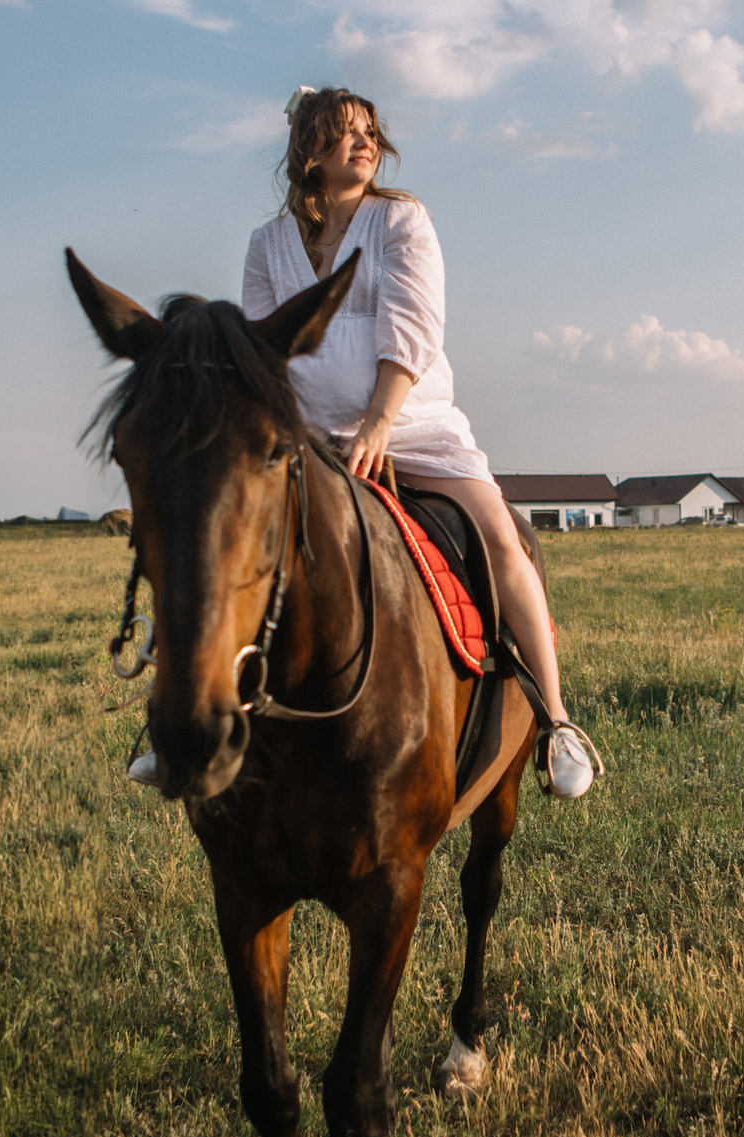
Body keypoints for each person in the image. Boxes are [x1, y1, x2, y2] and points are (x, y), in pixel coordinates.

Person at [135, 85, 600, 798]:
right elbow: (264, 353)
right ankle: (179, 720)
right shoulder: (267, 244)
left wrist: (379, 425)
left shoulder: (401, 220)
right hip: (309, 437)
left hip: (412, 428)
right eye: (344, 131)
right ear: (309, 149)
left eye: (369, 132)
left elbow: (412, 327)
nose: (364, 143)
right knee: (222, 540)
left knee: (502, 539)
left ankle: (558, 721)